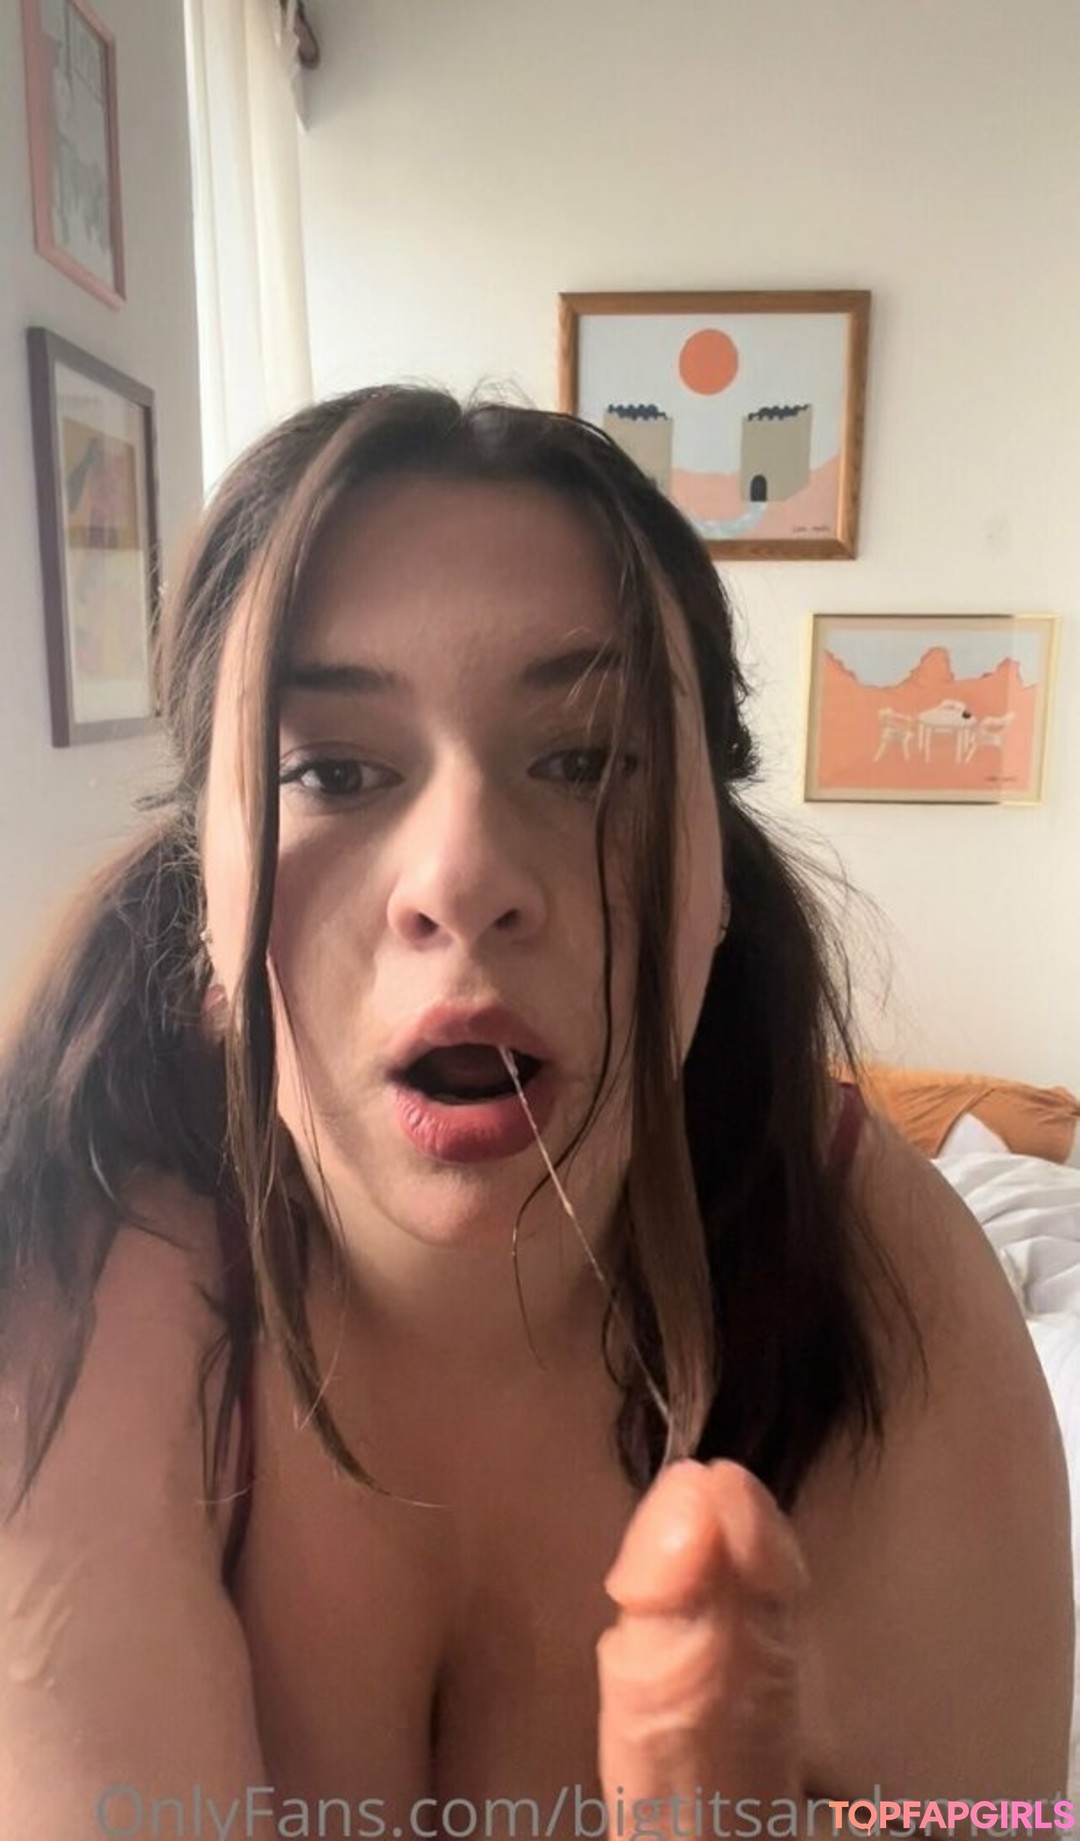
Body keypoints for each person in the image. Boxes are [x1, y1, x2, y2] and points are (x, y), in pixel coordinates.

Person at [0, 387, 1071, 1839]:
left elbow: (991, 1818)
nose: (463, 875)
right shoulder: (74, 1270)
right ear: (207, 894)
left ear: (716, 876)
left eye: (584, 761)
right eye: (329, 771)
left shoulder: (876, 1285)